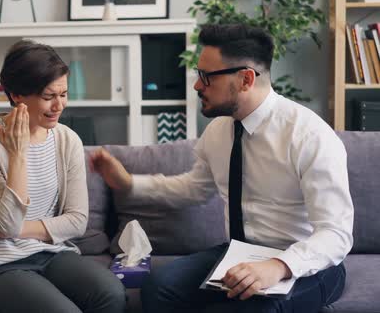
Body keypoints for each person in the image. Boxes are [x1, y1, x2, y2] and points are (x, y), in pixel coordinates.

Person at [90, 24, 354, 313]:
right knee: (159, 287)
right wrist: (128, 184)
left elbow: (336, 234)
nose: (196, 85)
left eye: (206, 77)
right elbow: (193, 189)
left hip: (307, 266)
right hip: (240, 253)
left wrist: (278, 266)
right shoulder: (218, 132)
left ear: (245, 79)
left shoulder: (309, 136)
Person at [0, 40, 126, 313]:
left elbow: (77, 221)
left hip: (53, 252)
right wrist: (17, 154)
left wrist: (18, 230)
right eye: (48, 96)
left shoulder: (67, 140)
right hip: (4, 263)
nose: (59, 105)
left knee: (112, 293)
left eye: (63, 94)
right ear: (16, 94)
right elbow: (6, 224)